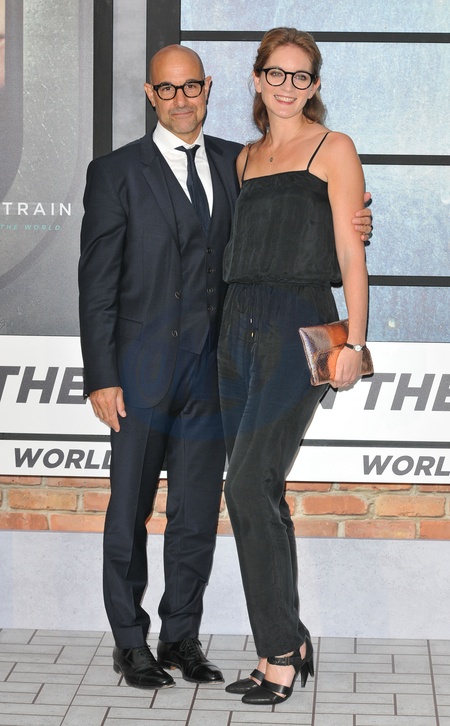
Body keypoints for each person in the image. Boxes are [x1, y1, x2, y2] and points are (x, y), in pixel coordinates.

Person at [78, 43, 373, 692]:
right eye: (166, 88)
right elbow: (100, 282)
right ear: (151, 95)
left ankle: (206, 643)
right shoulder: (136, 169)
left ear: (209, 87)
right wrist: (101, 373)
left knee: (216, 502)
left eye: (191, 86)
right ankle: (139, 644)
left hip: (243, 354)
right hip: (161, 366)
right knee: (143, 510)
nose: (180, 99)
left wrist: (355, 219)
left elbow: (318, 229)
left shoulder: (247, 157)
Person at [218, 28, 369, 706]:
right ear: (257, 79)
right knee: (257, 489)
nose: (287, 86)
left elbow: (351, 253)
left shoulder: (333, 149)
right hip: (236, 327)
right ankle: (280, 642)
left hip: (298, 324)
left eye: (300, 76)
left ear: (315, 85)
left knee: (249, 484)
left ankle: (282, 649)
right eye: (275, 73)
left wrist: (354, 344)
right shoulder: (243, 159)